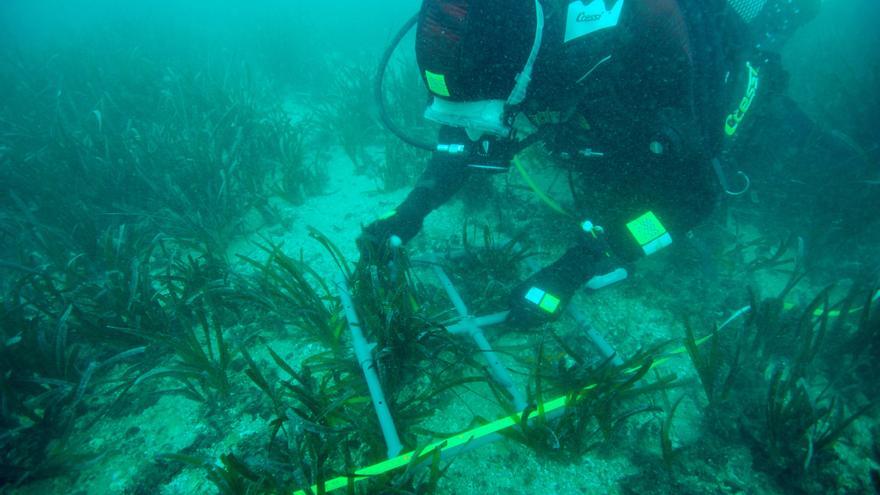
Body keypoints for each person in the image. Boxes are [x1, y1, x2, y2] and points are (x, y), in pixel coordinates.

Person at [357, 0, 827, 325]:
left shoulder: (654, 61)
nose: (478, 126)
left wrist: (581, 264)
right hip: (595, 105)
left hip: (704, 66)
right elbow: (462, 137)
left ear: (529, 72)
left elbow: (695, 202)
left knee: (766, 112)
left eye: (488, 112)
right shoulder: (510, 41)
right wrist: (411, 211)